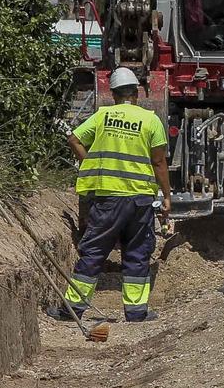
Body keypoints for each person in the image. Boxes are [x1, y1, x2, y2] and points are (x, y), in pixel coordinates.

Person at [64, 67, 172, 323]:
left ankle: (73, 309)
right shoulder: (150, 120)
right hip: (140, 201)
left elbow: (73, 139)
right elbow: (159, 163)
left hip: (108, 199)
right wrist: (166, 195)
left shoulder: (102, 117)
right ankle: (136, 313)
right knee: (137, 253)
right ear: (137, 93)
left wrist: (89, 163)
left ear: (113, 94)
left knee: (93, 251)